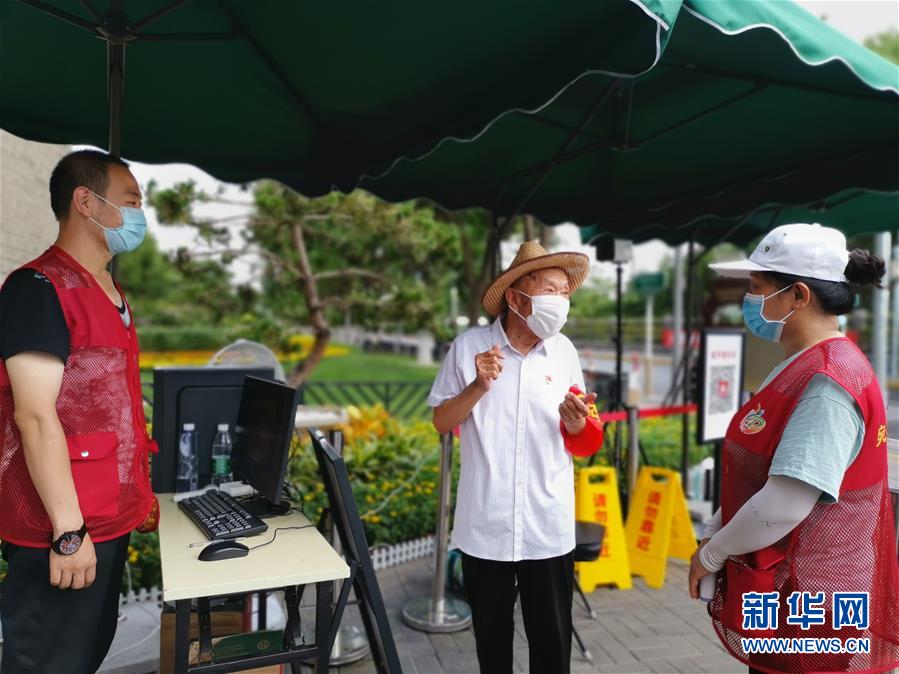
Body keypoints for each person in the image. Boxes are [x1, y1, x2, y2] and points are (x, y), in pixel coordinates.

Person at [688, 223, 899, 674]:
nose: (750, 302)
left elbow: (784, 504)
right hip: (790, 590)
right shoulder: (804, 363)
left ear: (799, 295)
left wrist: (711, 554)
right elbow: (769, 472)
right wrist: (717, 525)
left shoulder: (828, 382)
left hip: (815, 599)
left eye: (757, 288)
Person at [0, 149, 159, 674]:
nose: (140, 214)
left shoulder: (112, 291)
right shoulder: (38, 288)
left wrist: (140, 491)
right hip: (62, 529)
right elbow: (35, 416)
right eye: (131, 201)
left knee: (86, 651)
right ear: (85, 202)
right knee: (50, 661)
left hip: (108, 519)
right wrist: (68, 534)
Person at [428, 240, 604, 674]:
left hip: (548, 523)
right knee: (492, 642)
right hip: (486, 524)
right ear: (515, 297)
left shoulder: (564, 352)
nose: (560, 302)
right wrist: (477, 386)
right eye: (549, 289)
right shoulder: (469, 348)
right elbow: (441, 421)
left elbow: (585, 440)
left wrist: (578, 422)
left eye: (565, 293)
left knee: (552, 641)